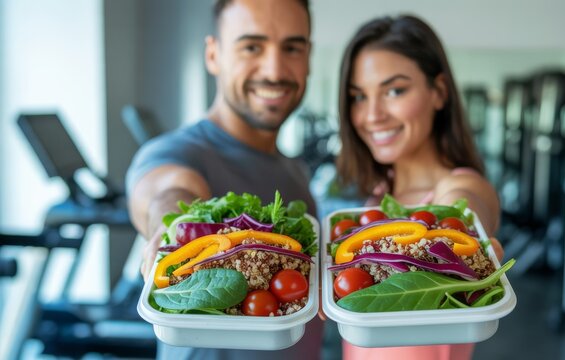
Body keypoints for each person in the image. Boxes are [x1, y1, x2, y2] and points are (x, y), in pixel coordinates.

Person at [125, 0, 323, 359]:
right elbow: (167, 191)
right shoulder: (178, 151)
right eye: (252, 47)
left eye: (292, 48)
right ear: (213, 55)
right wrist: (173, 227)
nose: (275, 69)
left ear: (308, 56)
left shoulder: (292, 168)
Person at [334, 15, 504, 360]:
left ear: (438, 92)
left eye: (394, 90)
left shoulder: (462, 184)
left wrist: (467, 233)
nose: (372, 115)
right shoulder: (380, 191)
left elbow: (462, 210)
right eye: (358, 97)